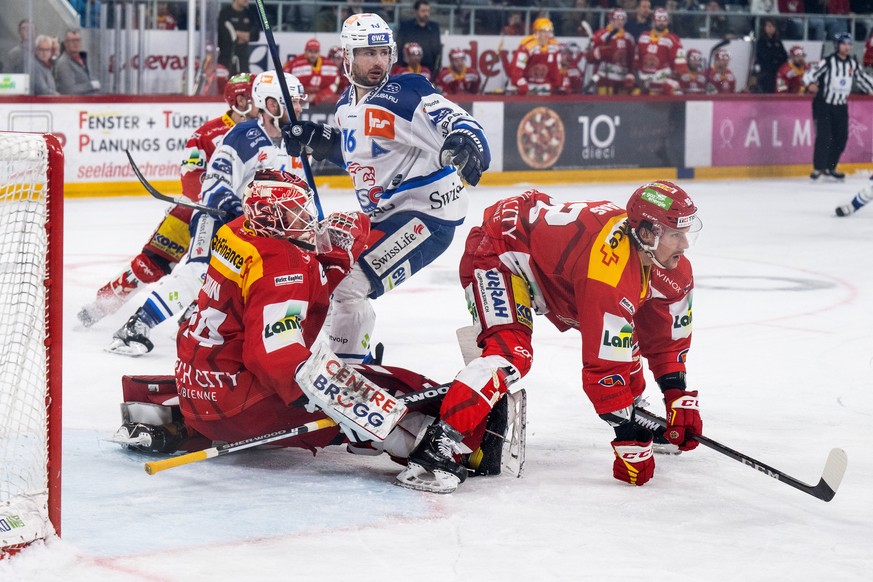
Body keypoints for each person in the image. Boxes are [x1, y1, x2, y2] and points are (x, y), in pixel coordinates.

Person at [397, 181, 703, 493]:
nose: (685, 244)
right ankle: (438, 443)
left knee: (624, 336)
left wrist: (676, 395)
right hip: (499, 253)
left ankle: (635, 410)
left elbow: (667, 339)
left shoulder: (669, 266)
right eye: (675, 234)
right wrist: (626, 436)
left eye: (685, 231)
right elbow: (604, 370)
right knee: (510, 354)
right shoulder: (608, 275)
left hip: (540, 250)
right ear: (648, 234)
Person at [281, 13, 490, 364]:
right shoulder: (346, 105)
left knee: (350, 285)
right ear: (346, 56)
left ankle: (344, 376)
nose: (377, 61)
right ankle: (341, 358)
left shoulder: (406, 92)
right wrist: (316, 139)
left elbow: (454, 120)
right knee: (328, 273)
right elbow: (361, 158)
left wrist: (467, 138)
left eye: (382, 52)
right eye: (367, 53)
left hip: (427, 215)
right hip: (386, 217)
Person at [114, 170, 371, 453]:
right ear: (271, 216)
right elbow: (275, 354)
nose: (307, 218)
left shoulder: (234, 232)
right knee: (379, 389)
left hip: (195, 394)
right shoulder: (282, 265)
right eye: (295, 209)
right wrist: (317, 392)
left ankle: (180, 428)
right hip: (239, 410)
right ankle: (420, 445)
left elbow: (277, 293)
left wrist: (329, 263)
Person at [106, 71, 309, 355]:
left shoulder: (295, 142)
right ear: (272, 105)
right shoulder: (245, 135)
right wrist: (232, 205)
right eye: (294, 102)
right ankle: (136, 326)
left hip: (257, 229)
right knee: (200, 273)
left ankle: (195, 324)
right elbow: (215, 182)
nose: (300, 109)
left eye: (300, 102)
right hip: (217, 218)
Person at [77, 74, 257, 329]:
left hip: (238, 220)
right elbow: (191, 176)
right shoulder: (206, 134)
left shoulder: (264, 136)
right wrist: (218, 200)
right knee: (150, 265)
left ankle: (194, 317)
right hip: (194, 211)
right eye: (253, 95)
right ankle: (102, 304)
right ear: (239, 99)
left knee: (221, 275)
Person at [805, 33, 873, 180]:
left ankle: (830, 167)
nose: (847, 47)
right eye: (844, 44)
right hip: (824, 104)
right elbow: (810, 74)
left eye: (849, 44)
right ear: (837, 45)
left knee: (841, 137)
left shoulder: (852, 64)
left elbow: (862, 79)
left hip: (841, 105)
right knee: (824, 136)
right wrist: (809, 84)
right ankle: (818, 168)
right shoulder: (828, 62)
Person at [635, 8, 687, 95]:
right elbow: (635, 63)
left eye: (664, 20)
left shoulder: (673, 40)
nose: (662, 23)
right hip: (643, 82)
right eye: (659, 20)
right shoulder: (643, 37)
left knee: (676, 92)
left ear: (668, 21)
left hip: (662, 84)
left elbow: (681, 67)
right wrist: (639, 83)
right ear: (653, 20)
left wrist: (669, 79)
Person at [507, 17, 564, 95]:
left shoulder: (555, 47)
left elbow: (557, 70)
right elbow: (517, 70)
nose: (547, 35)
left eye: (549, 31)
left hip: (545, 87)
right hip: (526, 85)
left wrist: (557, 85)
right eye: (544, 31)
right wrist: (523, 87)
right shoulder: (527, 47)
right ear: (537, 32)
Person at [586, 9, 637, 95]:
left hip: (622, 78)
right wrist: (598, 52)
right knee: (603, 104)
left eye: (622, 19)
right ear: (611, 20)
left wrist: (630, 74)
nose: (620, 22)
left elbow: (631, 59)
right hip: (604, 77)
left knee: (622, 105)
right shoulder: (601, 35)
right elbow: (589, 58)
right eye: (617, 19)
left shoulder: (629, 38)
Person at [282, 38, 341, 105]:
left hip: (321, 102)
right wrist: (300, 95)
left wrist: (318, 96)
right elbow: (283, 79)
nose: (313, 55)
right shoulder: (295, 63)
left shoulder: (329, 65)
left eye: (315, 52)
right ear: (305, 51)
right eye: (310, 51)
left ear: (319, 52)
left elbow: (334, 84)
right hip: (298, 100)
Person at [396, 1, 442, 74]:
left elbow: (437, 50)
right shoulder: (406, 26)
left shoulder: (434, 27)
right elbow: (399, 46)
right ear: (416, 11)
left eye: (428, 11)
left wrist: (436, 70)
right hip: (407, 68)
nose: (426, 14)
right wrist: (400, 67)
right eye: (423, 11)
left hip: (428, 68)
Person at [217, 0, 260, 76]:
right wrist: (245, 36)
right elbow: (223, 36)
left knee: (244, 81)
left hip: (242, 58)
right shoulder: (225, 13)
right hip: (226, 57)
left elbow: (256, 36)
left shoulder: (249, 14)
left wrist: (237, 33)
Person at [54, 28, 99, 95]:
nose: (76, 43)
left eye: (78, 40)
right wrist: (91, 85)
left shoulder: (82, 58)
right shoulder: (63, 63)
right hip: (74, 104)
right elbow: (69, 90)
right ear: (65, 43)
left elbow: (88, 78)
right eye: (72, 41)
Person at [752, 18, 789, 93]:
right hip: (766, 72)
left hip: (779, 72)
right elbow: (764, 56)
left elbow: (784, 56)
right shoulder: (761, 42)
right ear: (764, 28)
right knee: (768, 90)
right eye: (768, 26)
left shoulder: (778, 41)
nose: (770, 28)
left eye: (772, 26)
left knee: (781, 89)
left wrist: (777, 58)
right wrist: (777, 57)